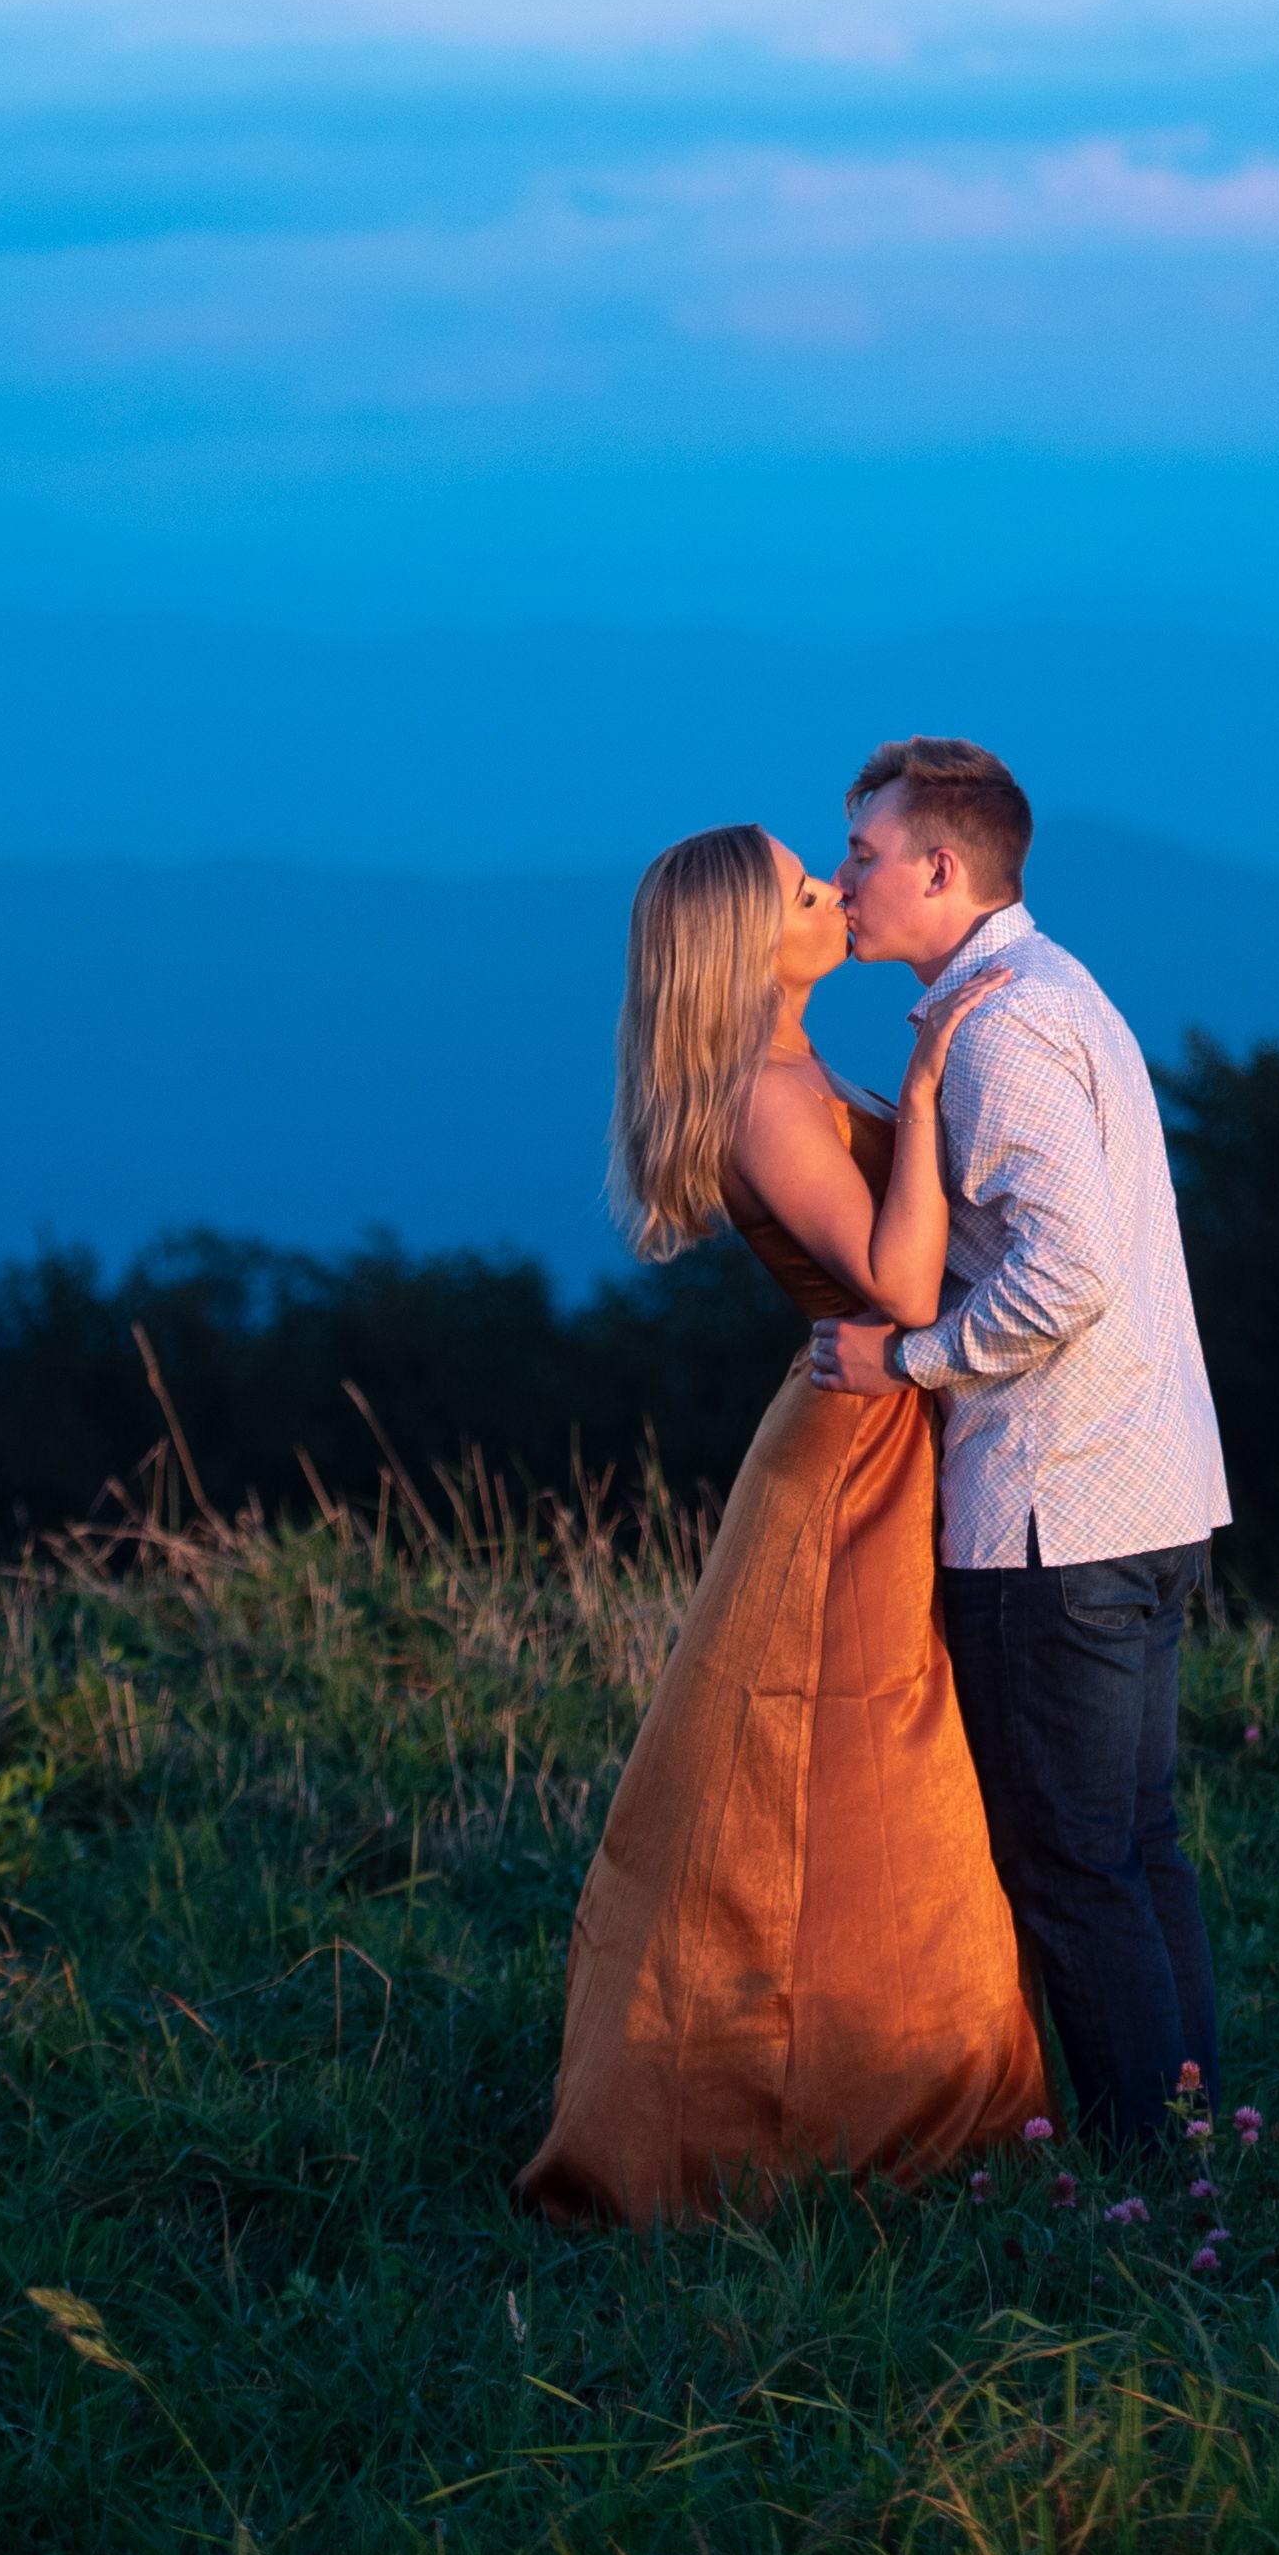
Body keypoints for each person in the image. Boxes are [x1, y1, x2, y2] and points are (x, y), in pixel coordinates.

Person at [511, 826, 1050, 2224]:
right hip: (854, 1450)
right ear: (748, 945)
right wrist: (929, 1092)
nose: (834, 895)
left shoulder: (792, 1069)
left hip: (878, 1430)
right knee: (863, 1768)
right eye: (806, 891)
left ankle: (871, 2067)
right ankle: (825, 2099)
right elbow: (897, 1278)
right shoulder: (761, 1092)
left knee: (882, 1764)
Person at [799, 734, 1234, 2153]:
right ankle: (1198, 2156)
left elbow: (1068, 1272)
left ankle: (1147, 2184)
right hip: (1148, 1490)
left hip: (1056, 1516)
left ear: (938, 866)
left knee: (1071, 1869)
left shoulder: (994, 1028)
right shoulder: (1056, 989)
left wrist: (907, 1358)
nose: (842, 877)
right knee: (1134, 1850)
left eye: (862, 854)